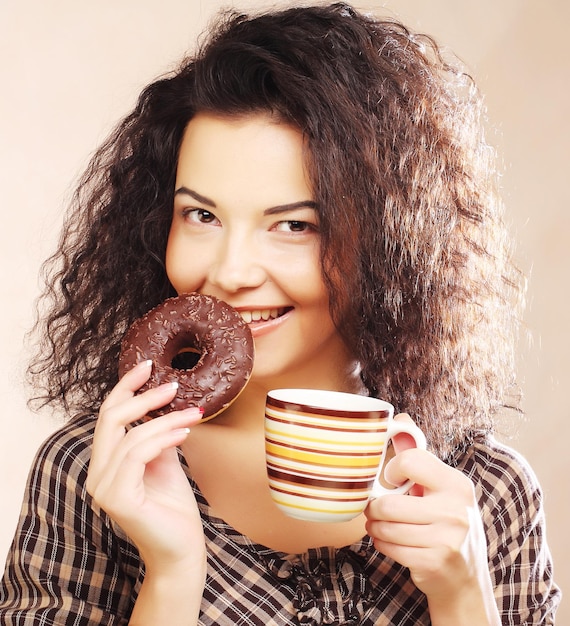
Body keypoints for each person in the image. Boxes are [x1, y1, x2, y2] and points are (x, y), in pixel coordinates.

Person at [0, 2, 560, 624]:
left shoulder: (486, 490)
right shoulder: (95, 473)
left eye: (294, 224)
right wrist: (173, 574)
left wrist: (461, 595)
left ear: (387, 244)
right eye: (202, 216)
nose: (232, 271)